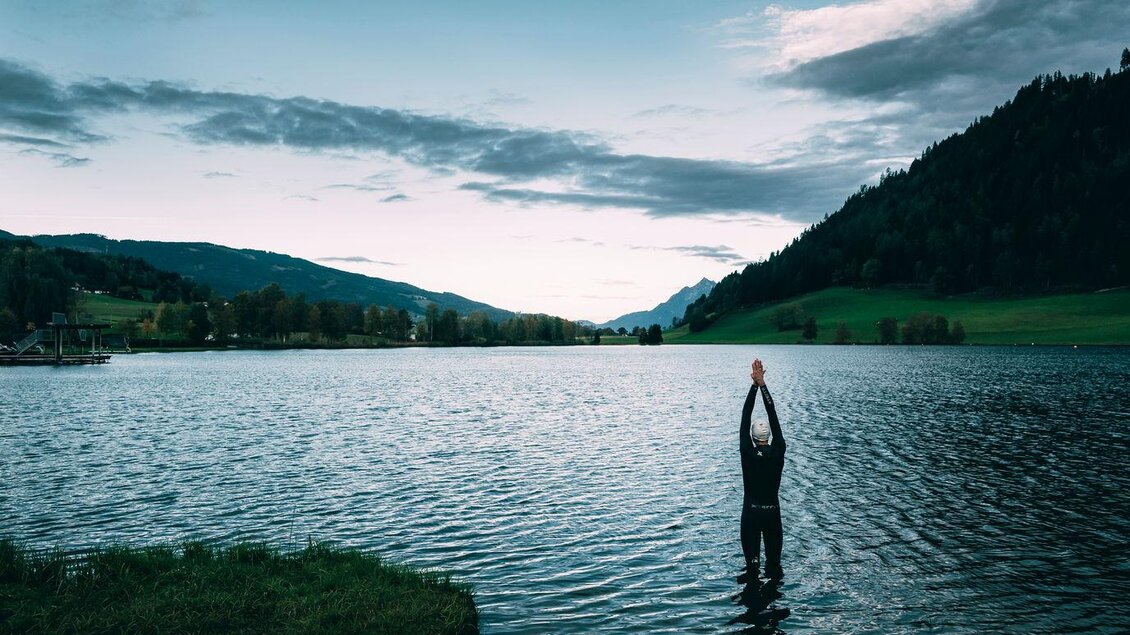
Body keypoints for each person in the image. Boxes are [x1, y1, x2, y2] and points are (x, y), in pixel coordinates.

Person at [738, 358, 786, 583]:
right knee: (774, 566)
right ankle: (774, 611)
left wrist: (754, 386)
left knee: (752, 568)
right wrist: (763, 384)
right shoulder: (778, 451)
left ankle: (752, 607)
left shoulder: (747, 452)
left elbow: (745, 415)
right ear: (768, 437)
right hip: (772, 513)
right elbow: (773, 414)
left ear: (753, 437)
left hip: (751, 513)